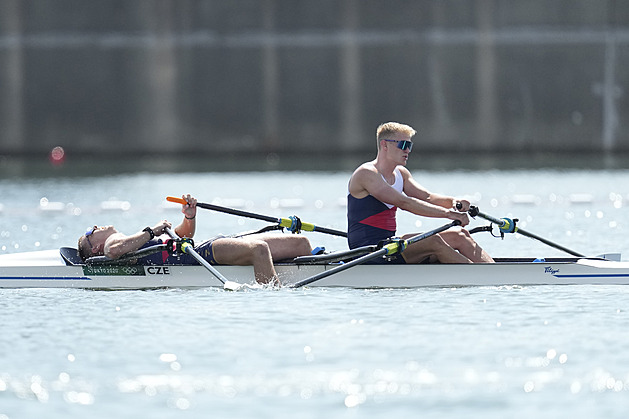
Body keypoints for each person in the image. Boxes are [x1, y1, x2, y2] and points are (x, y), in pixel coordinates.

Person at [77, 194, 313, 284]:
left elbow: (184, 235)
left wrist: (189, 217)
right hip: (202, 256)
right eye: (90, 231)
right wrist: (152, 231)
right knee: (259, 249)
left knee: (300, 244)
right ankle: (276, 302)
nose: (96, 226)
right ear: (95, 246)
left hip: (202, 247)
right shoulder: (111, 245)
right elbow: (114, 252)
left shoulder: (133, 240)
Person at [347, 122, 494, 264]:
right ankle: (479, 276)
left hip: (390, 245)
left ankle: (494, 272)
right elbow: (405, 203)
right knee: (433, 241)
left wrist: (454, 202)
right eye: (403, 145)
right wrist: (449, 214)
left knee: (460, 235)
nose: (407, 151)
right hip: (368, 251)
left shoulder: (401, 174)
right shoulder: (366, 173)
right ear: (385, 144)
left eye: (409, 145)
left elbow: (427, 197)